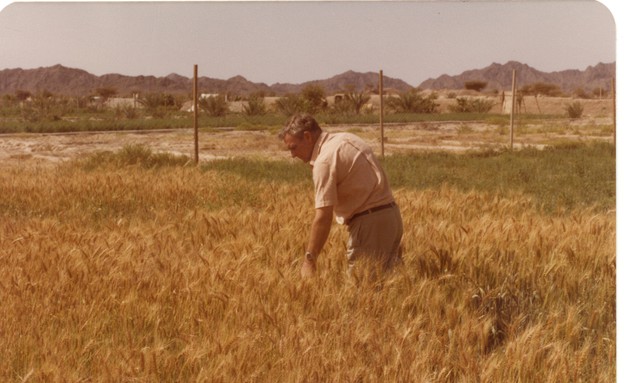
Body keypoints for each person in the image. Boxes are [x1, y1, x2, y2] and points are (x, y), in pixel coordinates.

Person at [278, 113, 403, 278]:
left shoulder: (324, 160)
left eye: (293, 147)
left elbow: (323, 216)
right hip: (391, 217)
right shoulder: (345, 138)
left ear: (307, 137)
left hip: (369, 225)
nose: (293, 155)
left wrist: (310, 259)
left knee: (363, 292)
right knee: (387, 286)